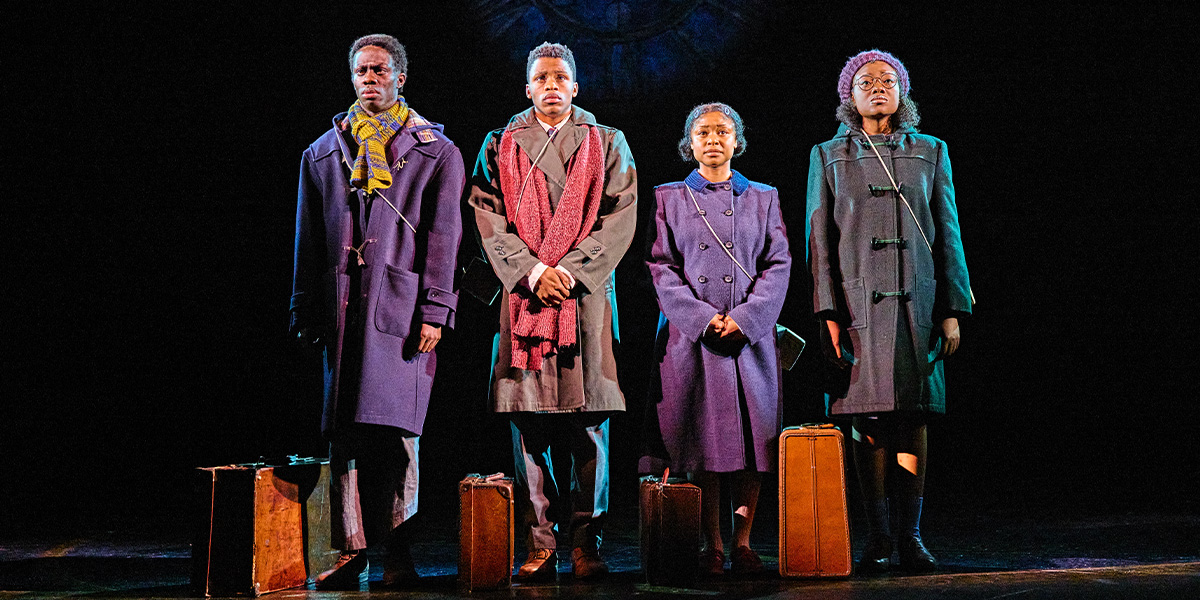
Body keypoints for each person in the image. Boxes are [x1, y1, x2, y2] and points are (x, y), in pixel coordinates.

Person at [289, 34, 464, 589]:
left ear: (400, 78)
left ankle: (398, 552)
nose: (370, 78)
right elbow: (308, 237)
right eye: (362, 70)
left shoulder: (435, 151)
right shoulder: (323, 152)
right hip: (342, 309)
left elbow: (445, 237)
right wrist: (304, 306)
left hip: (405, 310)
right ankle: (352, 552)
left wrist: (437, 308)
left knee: (399, 433)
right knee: (346, 436)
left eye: (380, 70)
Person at [467, 42, 637, 582]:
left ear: (576, 87)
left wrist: (571, 271)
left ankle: (588, 543)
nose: (551, 85)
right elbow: (485, 214)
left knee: (589, 426)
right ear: (527, 88)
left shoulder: (606, 141)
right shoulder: (500, 143)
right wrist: (533, 272)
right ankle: (540, 542)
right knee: (528, 425)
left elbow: (621, 215)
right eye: (541, 78)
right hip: (524, 300)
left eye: (560, 77)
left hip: (583, 299)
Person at [806, 49, 972, 573]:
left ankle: (911, 535)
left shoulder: (930, 150)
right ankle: (877, 536)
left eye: (886, 80)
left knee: (914, 414)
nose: (877, 87)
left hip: (918, 302)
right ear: (848, 98)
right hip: (857, 302)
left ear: (901, 92)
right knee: (869, 416)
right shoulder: (828, 155)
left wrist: (951, 306)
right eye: (865, 81)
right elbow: (820, 241)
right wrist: (827, 310)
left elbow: (948, 232)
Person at [642, 103, 791, 576]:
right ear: (690, 141)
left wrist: (747, 318)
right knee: (703, 444)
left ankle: (744, 542)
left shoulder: (764, 197)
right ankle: (713, 545)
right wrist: (703, 318)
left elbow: (779, 264)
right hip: (694, 339)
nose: (712, 140)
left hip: (749, 339)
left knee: (753, 444)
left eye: (722, 131)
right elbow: (660, 266)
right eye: (702, 132)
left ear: (737, 139)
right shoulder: (668, 197)